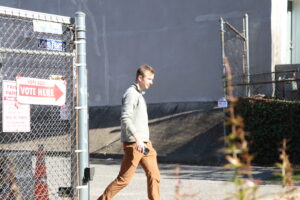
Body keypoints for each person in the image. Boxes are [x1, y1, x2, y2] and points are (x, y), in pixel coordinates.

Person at [97, 64, 160, 200]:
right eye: (149, 79)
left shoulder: (139, 95)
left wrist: (143, 140)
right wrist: (137, 138)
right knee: (124, 179)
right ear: (140, 78)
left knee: (154, 176)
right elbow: (125, 117)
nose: (152, 82)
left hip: (145, 145)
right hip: (135, 144)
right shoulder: (131, 94)